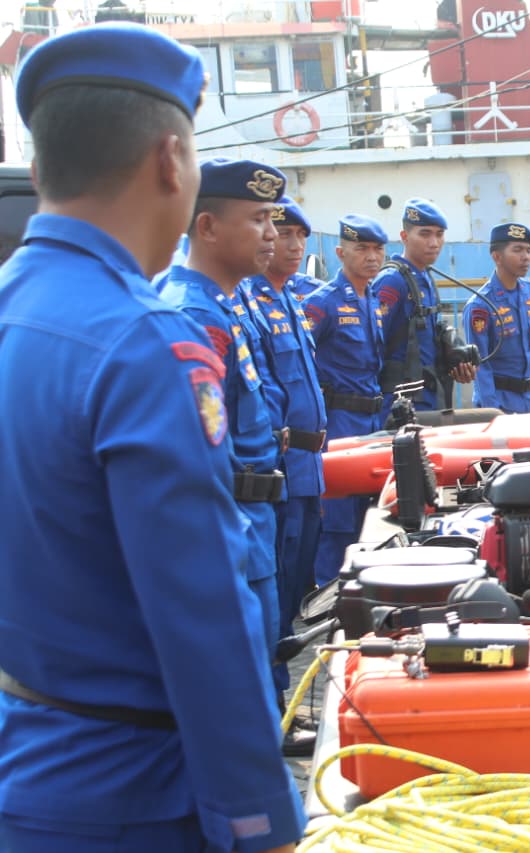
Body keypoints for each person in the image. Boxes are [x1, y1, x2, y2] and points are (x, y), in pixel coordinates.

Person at [0, 22, 301, 853]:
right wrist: (263, 820)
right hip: (133, 796)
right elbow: (202, 606)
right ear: (172, 161)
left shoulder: (13, 309)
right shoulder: (145, 344)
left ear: (42, 170)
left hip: (29, 766)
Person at [158, 157, 288, 687]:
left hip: (253, 520)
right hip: (231, 528)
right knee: (245, 680)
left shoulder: (224, 304)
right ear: (208, 227)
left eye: (271, 219)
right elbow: (193, 453)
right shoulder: (196, 317)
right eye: (258, 219)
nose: (272, 234)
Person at [240, 197, 328, 752]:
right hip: (276, 473)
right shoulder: (247, 302)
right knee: (270, 600)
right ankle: (273, 713)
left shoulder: (290, 300)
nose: (288, 244)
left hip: (305, 470)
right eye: (278, 230)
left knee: (291, 596)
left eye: (298, 235)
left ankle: (279, 707)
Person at [303, 215, 387, 586]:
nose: (372, 257)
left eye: (378, 249)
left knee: (367, 520)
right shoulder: (322, 303)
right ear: (340, 253)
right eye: (362, 248)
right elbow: (301, 363)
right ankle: (326, 601)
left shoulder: (372, 299)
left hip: (371, 422)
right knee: (336, 524)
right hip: (338, 422)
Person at [373, 198, 475, 416]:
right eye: (425, 234)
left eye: (439, 234)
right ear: (404, 237)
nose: (434, 242)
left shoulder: (425, 277)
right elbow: (373, 344)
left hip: (429, 399)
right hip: (399, 405)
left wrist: (453, 359)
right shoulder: (393, 280)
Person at [465, 223, 530, 413]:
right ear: (497, 257)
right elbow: (480, 364)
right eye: (517, 250)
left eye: (528, 250)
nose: (526, 257)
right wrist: (492, 410)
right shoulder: (481, 305)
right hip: (499, 402)